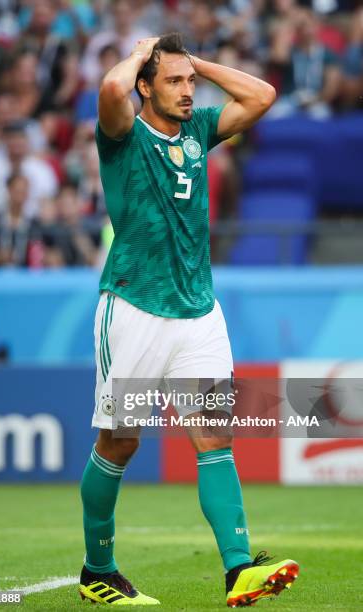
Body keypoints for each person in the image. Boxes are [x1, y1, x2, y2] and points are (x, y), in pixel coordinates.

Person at [79, 33, 299, 607]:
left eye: (189, 83)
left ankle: (238, 571)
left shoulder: (199, 129)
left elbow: (262, 96)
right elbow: (109, 87)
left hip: (199, 312)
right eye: (172, 82)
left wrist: (191, 61)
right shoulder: (123, 134)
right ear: (145, 86)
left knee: (215, 436)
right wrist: (141, 54)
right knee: (120, 441)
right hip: (134, 309)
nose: (185, 90)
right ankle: (97, 570)